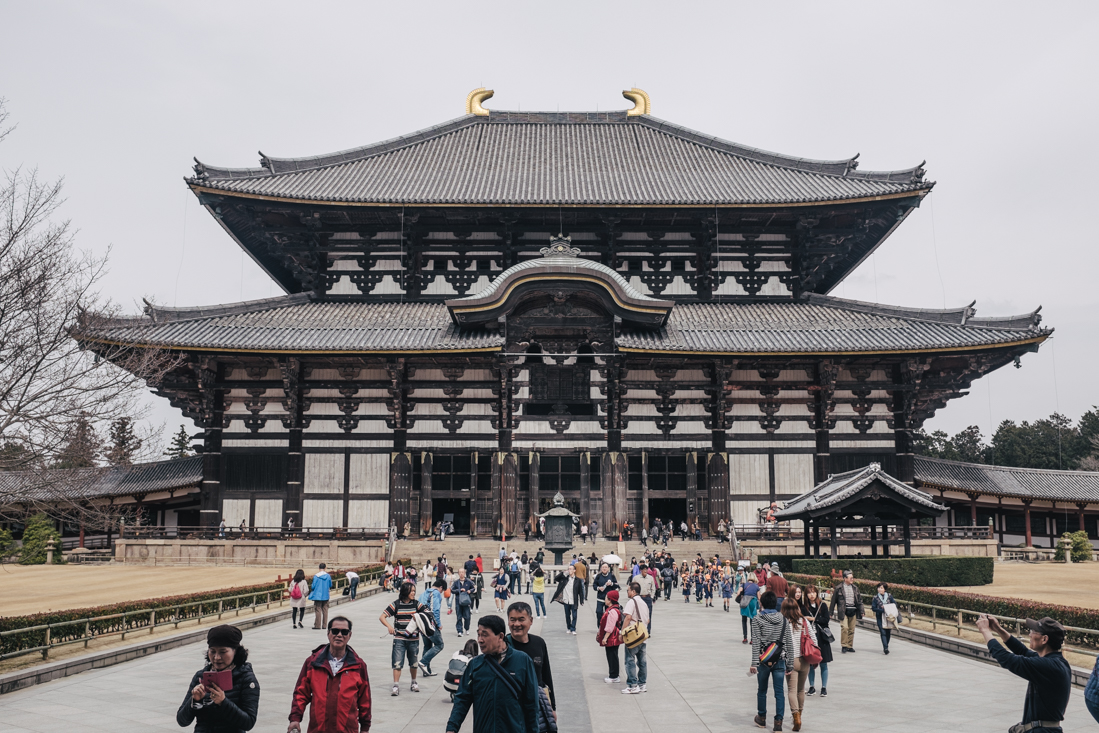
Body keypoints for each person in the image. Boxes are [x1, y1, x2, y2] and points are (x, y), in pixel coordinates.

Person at [976, 615, 1071, 733]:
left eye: (1033, 631)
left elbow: (1006, 659)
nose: (1030, 635)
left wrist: (985, 631)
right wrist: (998, 629)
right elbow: (1022, 651)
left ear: (1044, 639)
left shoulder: (1048, 666)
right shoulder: (1056, 661)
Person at [446, 615, 539, 733]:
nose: (480, 639)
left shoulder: (523, 661)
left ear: (500, 636)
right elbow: (462, 700)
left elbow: (532, 704)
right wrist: (452, 728)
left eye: (485, 635)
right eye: (479, 634)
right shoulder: (475, 665)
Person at [288, 617, 370, 733]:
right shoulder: (313, 663)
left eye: (344, 632)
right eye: (335, 631)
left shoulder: (358, 666)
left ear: (350, 635)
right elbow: (301, 693)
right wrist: (295, 719)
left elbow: (365, 700)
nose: (339, 635)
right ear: (328, 633)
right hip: (318, 729)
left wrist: (365, 728)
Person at [177, 624, 259, 733]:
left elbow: (248, 723)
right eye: (212, 651)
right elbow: (182, 721)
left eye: (223, 652)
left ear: (235, 651)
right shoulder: (200, 676)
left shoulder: (247, 679)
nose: (217, 657)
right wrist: (194, 701)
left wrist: (223, 702)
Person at [750, 590, 794, 731]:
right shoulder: (783, 620)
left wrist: (753, 663)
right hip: (780, 660)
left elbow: (756, 642)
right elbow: (788, 642)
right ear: (776, 604)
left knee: (762, 690)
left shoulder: (757, 619)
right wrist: (790, 663)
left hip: (763, 661)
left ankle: (762, 718)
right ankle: (778, 723)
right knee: (779, 692)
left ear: (761, 603)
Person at [507, 602, 557, 722]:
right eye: (512, 620)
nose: (516, 624)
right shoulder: (504, 645)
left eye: (521, 619)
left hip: (536, 705)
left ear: (531, 621)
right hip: (512, 707)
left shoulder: (539, 643)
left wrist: (552, 708)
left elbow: (546, 676)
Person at [379, 582, 430, 696]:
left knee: (414, 662)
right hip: (399, 639)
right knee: (397, 663)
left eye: (414, 591)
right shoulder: (396, 604)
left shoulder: (417, 604)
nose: (413, 593)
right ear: (405, 591)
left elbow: (427, 614)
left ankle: (414, 682)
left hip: (414, 639)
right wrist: (389, 627)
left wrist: (419, 618)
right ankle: (396, 685)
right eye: (411, 591)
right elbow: (382, 616)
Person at [782, 586, 814, 732]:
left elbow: (781, 644)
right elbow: (814, 639)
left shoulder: (784, 622)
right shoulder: (804, 621)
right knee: (801, 690)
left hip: (791, 660)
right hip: (805, 659)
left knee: (791, 690)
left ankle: (796, 718)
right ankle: (800, 714)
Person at [802, 584, 832, 697]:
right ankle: (812, 686)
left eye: (813, 592)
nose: (812, 595)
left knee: (823, 663)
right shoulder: (804, 607)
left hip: (822, 637)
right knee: (810, 663)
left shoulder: (823, 605)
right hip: (810, 637)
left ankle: (824, 687)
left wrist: (814, 619)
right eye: (809, 593)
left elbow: (826, 620)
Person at [620, 581, 649, 694]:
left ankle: (632, 684)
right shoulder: (644, 603)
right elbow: (647, 620)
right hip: (643, 635)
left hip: (633, 636)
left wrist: (622, 632)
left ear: (633, 591)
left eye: (628, 590)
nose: (627, 592)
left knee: (629, 660)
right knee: (642, 661)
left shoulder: (631, 602)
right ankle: (642, 684)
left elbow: (628, 617)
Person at [828, 570, 863, 653]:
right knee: (845, 628)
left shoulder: (855, 588)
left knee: (851, 629)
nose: (852, 579)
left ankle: (849, 646)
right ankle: (844, 645)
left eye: (852, 577)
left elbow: (860, 600)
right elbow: (833, 601)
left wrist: (862, 610)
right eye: (850, 578)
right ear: (845, 578)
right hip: (843, 611)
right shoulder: (839, 588)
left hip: (853, 610)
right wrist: (831, 612)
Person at [418, 579, 445, 677]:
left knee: (427, 646)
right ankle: (423, 662)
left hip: (421, 623)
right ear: (441, 587)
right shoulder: (436, 593)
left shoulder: (423, 593)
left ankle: (427, 670)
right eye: (442, 590)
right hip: (431, 624)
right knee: (440, 644)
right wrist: (438, 624)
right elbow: (435, 610)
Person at [598, 589, 623, 684]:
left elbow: (610, 626)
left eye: (606, 597)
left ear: (610, 599)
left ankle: (614, 676)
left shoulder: (612, 611)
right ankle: (614, 674)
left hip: (612, 637)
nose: (605, 599)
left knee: (612, 656)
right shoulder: (613, 608)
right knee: (612, 655)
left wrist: (605, 638)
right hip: (613, 636)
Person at [551, 564, 583, 634]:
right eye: (569, 569)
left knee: (574, 615)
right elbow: (556, 578)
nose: (569, 570)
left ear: (574, 570)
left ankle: (573, 628)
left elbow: (580, 591)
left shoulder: (578, 580)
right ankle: (568, 627)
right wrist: (563, 573)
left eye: (571, 569)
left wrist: (581, 600)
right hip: (566, 599)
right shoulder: (564, 578)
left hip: (574, 600)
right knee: (567, 615)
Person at [870, 582, 899, 654]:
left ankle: (886, 644)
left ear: (885, 589)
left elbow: (894, 604)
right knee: (883, 632)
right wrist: (882, 610)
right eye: (879, 588)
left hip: (888, 616)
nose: (879, 589)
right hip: (880, 616)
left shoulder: (889, 596)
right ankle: (885, 647)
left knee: (888, 632)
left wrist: (887, 607)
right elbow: (873, 608)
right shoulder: (875, 597)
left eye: (881, 588)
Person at [452, 568, 476, 638]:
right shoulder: (456, 582)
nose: (461, 573)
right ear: (458, 574)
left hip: (466, 601)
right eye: (460, 572)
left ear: (465, 573)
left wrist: (470, 591)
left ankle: (467, 628)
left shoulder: (468, 581)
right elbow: (452, 590)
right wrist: (459, 590)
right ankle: (459, 631)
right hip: (458, 601)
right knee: (459, 616)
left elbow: (474, 588)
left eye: (463, 572)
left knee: (467, 616)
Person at [308, 563, 332, 630]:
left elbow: (313, 586)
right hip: (326, 595)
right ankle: (324, 625)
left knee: (318, 610)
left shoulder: (316, 576)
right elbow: (330, 584)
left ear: (319, 568)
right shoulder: (328, 576)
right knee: (325, 610)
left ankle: (317, 625)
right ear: (325, 568)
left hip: (317, 595)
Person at [740, 580, 760, 644]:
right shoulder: (756, 586)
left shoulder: (743, 585)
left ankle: (745, 638)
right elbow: (759, 597)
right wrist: (761, 607)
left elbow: (738, 592)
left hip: (745, 603)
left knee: (744, 620)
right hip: (753, 603)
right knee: (753, 621)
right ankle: (752, 639)